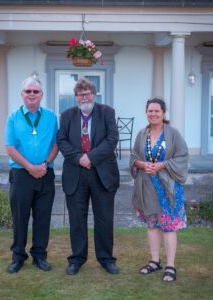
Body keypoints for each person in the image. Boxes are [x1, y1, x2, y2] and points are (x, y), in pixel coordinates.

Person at [57, 77, 120, 275]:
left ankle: (106, 259)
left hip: (102, 174)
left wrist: (90, 157)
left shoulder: (107, 112)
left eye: (87, 93)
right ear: (75, 97)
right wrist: (79, 158)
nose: (84, 97)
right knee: (77, 219)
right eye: (80, 94)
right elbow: (62, 140)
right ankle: (77, 259)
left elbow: (112, 139)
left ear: (94, 94)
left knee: (104, 219)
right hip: (76, 174)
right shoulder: (67, 115)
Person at [130, 97, 188, 282]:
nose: (153, 114)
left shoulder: (173, 134)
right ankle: (155, 261)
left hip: (168, 189)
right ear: (146, 112)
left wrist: (162, 165)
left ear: (164, 113)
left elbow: (182, 157)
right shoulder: (142, 134)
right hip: (147, 187)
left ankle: (170, 266)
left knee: (169, 227)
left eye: (157, 111)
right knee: (152, 224)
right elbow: (133, 157)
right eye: (150, 111)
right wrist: (141, 163)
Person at [5, 76, 58, 274]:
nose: (32, 95)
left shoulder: (51, 117)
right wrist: (30, 167)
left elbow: (56, 144)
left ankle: (39, 256)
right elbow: (10, 147)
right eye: (28, 91)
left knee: (43, 217)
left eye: (36, 91)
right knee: (20, 218)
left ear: (41, 94)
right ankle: (18, 257)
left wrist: (44, 165)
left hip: (45, 173)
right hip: (21, 175)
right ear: (22, 94)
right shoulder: (13, 117)